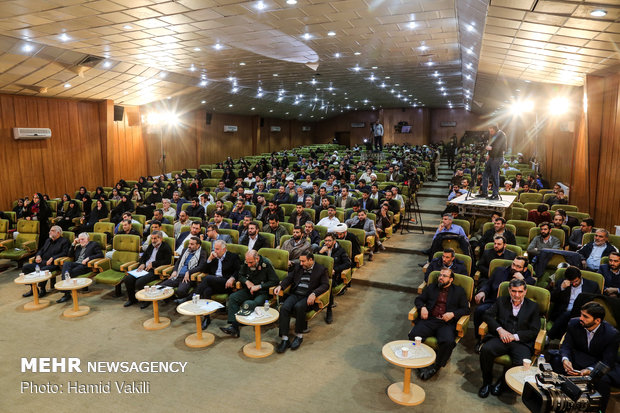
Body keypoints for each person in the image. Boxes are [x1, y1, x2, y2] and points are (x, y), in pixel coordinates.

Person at [478, 278, 541, 398]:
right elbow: (487, 315)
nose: (517, 295)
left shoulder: (533, 306)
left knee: (521, 362)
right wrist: (500, 330)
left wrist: (515, 336)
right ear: (509, 290)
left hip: (520, 342)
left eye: (520, 291)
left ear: (525, 291)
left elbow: (534, 330)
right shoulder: (501, 301)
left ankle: (502, 383)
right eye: (514, 291)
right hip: (501, 338)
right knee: (486, 350)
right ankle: (486, 382)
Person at [553, 302, 620, 413]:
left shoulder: (611, 334)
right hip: (578, 357)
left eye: (585, 316)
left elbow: (607, 361)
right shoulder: (574, 323)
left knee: (602, 380)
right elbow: (566, 345)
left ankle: (597, 410)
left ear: (597, 320)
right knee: (556, 360)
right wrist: (566, 359)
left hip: (597, 363)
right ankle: (557, 403)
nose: (581, 318)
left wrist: (589, 370)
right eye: (581, 314)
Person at [409, 268, 470, 380]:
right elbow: (419, 299)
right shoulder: (432, 287)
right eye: (440, 275)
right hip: (430, 319)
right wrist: (422, 307)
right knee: (414, 335)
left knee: (448, 342)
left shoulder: (458, 291)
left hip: (445, 323)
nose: (441, 278)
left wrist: (452, 314)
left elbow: (466, 309)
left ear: (451, 279)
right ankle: (420, 362)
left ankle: (436, 366)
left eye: (444, 276)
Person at [274, 252, 329, 353]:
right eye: (300, 261)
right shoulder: (298, 267)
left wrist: (314, 294)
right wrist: (280, 286)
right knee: (284, 307)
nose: (301, 263)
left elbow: (325, 285)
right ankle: (285, 339)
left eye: (303, 261)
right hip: (296, 294)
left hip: (308, 296)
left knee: (299, 307)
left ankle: (299, 336)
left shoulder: (321, 269)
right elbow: (289, 278)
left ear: (311, 260)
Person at [474, 256, 535, 347]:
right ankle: (480, 338)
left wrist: (523, 280)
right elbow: (488, 284)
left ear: (524, 269)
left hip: (512, 304)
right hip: (494, 300)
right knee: (479, 310)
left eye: (518, 267)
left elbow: (532, 283)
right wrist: (483, 291)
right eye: (513, 264)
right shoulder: (499, 270)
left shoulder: (527, 277)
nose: (514, 268)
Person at [220, 250, 279, 338]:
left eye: (251, 262)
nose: (249, 265)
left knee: (249, 303)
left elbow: (275, 281)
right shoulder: (247, 262)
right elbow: (240, 275)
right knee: (233, 297)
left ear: (257, 259)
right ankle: (234, 326)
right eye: (247, 262)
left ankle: (241, 322)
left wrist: (259, 286)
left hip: (262, 292)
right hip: (249, 289)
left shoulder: (265, 264)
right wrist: (247, 282)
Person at [121, 230, 172, 308]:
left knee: (139, 282)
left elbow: (167, 261)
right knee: (128, 279)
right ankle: (132, 299)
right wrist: (142, 263)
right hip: (144, 268)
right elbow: (144, 257)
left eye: (155, 239)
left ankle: (146, 300)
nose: (153, 241)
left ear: (160, 239)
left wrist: (154, 263)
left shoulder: (165, 247)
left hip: (155, 270)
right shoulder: (151, 246)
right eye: (152, 238)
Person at [547, 266, 601, 340]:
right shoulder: (561, 283)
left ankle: (549, 336)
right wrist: (561, 288)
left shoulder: (592, 285)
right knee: (566, 315)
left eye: (576, 281)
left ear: (580, 277)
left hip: (582, 313)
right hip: (562, 312)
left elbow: (597, 302)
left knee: (568, 315)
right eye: (571, 282)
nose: (574, 284)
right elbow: (552, 298)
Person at [21, 226, 70, 298]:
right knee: (26, 267)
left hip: (54, 264)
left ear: (58, 233)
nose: (50, 232)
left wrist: (53, 258)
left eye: (52, 231)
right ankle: (33, 288)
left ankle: (42, 289)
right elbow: (41, 250)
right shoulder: (48, 240)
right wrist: (38, 256)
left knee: (43, 270)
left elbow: (65, 253)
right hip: (42, 262)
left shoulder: (64, 241)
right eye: (50, 230)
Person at [56, 232, 104, 303]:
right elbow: (69, 255)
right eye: (80, 239)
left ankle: (66, 293)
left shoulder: (93, 244)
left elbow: (100, 254)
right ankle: (66, 290)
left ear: (88, 239)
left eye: (83, 239)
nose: (81, 241)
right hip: (76, 263)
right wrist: (73, 244)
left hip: (86, 266)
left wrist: (88, 258)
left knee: (68, 273)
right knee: (66, 264)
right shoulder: (78, 246)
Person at [159, 235, 206, 301]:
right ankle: (170, 299)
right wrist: (175, 271)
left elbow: (201, 267)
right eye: (189, 243)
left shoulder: (202, 253)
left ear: (198, 246)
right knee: (160, 287)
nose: (189, 246)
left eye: (192, 244)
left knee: (180, 291)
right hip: (177, 275)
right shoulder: (185, 250)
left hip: (187, 277)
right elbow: (178, 262)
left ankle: (181, 300)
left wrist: (189, 272)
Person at [318, 233, 352, 324]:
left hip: (334, 276)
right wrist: (320, 252)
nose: (327, 243)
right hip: (321, 274)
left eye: (329, 241)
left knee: (329, 284)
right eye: (325, 241)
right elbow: (313, 261)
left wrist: (335, 270)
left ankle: (329, 310)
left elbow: (348, 264)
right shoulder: (321, 248)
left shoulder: (340, 250)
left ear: (334, 241)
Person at [476, 124, 506, 200]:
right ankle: (484, 193)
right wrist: (488, 154)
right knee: (485, 174)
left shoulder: (501, 134)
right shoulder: (493, 135)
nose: (490, 131)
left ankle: (495, 194)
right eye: (489, 130)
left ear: (495, 129)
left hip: (498, 157)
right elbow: (491, 145)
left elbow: (502, 147)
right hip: (491, 157)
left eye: (491, 130)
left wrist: (491, 148)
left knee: (495, 176)